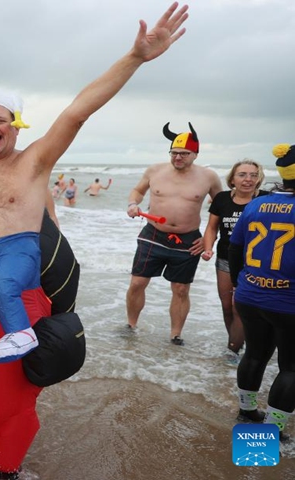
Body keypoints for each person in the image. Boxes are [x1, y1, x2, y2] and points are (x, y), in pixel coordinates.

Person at [0, 3, 187, 366]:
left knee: (0, 343)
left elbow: (78, 111)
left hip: (15, 267)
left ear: (15, 126)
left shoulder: (35, 161)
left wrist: (134, 57)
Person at [125, 122, 222, 345]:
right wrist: (132, 203)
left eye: (184, 154)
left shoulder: (209, 177)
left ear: (195, 154)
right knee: (138, 283)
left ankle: (175, 334)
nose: (178, 157)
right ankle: (130, 325)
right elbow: (138, 191)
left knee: (180, 289)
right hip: (153, 235)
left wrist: (208, 240)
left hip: (188, 239)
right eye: (174, 153)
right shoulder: (155, 171)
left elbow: (220, 209)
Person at [228, 143, 295, 440]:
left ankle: (246, 410)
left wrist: (238, 282)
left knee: (255, 355)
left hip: (250, 294)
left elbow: (235, 247)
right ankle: (273, 430)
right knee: (291, 368)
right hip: (288, 302)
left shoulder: (256, 203)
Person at [201, 159, 268, 366]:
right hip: (225, 259)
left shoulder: (266, 200)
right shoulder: (221, 199)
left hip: (254, 263)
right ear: (232, 179)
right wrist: (208, 247)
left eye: (253, 175)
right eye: (242, 175)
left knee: (239, 307)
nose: (248, 179)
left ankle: (233, 351)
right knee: (227, 307)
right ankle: (238, 343)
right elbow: (212, 228)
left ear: (259, 179)